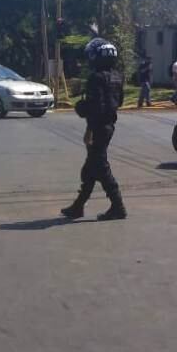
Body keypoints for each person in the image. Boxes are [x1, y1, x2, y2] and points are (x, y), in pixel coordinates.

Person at [61, 37, 127, 221]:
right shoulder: (117, 76)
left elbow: (94, 107)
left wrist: (82, 112)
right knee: (90, 169)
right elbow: (118, 102)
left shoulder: (95, 78)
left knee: (100, 167)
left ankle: (118, 206)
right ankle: (78, 206)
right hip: (109, 126)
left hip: (98, 127)